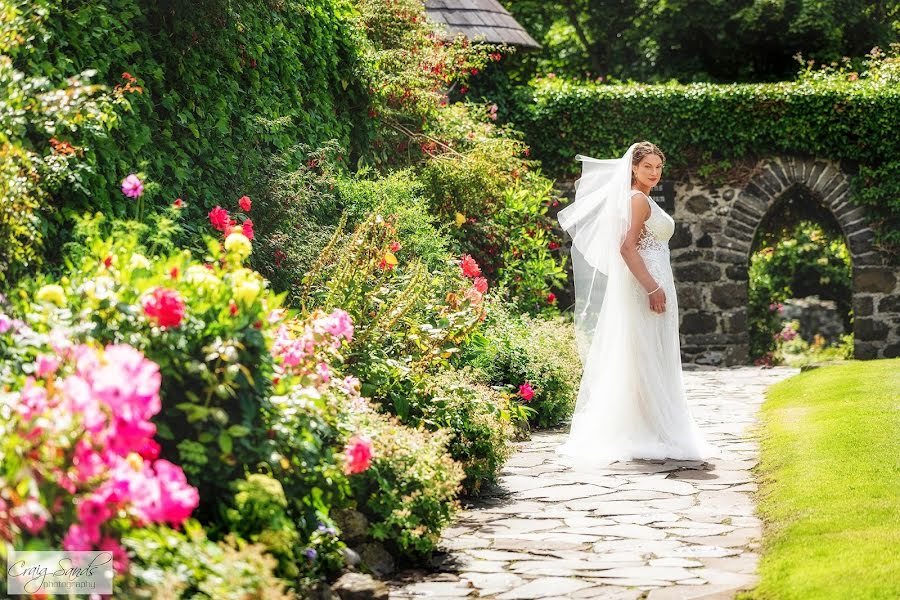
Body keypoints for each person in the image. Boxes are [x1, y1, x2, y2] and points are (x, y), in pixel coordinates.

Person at [554, 141, 720, 464]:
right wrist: (651, 287)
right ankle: (648, 430)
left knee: (650, 353)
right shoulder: (637, 200)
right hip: (646, 288)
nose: (654, 173)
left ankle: (653, 425)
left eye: (659, 167)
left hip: (653, 284)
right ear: (633, 168)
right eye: (648, 167)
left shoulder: (642, 198)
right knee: (645, 353)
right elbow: (626, 247)